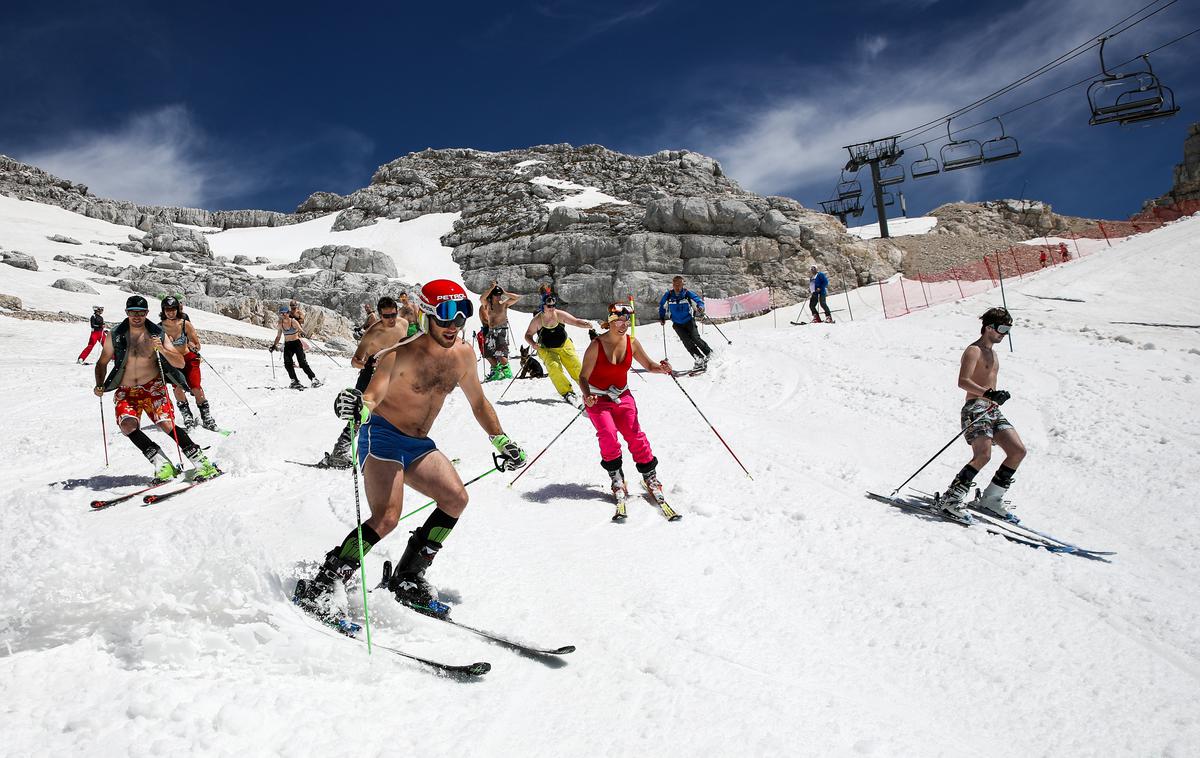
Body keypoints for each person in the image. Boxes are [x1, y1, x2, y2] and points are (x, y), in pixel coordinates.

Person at [293, 279, 527, 618]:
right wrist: (359, 407)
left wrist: (500, 439)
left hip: (417, 444)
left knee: (455, 499)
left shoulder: (462, 355)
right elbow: (373, 395)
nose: (453, 325)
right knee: (387, 517)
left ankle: (408, 576)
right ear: (428, 314)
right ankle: (326, 581)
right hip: (383, 437)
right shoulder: (399, 353)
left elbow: (478, 402)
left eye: (461, 316)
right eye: (445, 315)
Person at [92, 295, 219, 480]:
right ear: (127, 313)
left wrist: (163, 349)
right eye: (133, 312)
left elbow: (179, 361)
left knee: (165, 423)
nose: (137, 316)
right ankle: (162, 464)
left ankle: (201, 461)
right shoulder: (116, 334)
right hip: (127, 390)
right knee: (127, 425)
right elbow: (102, 363)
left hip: (153, 387)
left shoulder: (157, 333)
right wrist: (100, 384)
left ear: (146, 313)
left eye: (141, 313)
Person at [934, 307, 1026, 521]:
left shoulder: (993, 354)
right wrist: (989, 394)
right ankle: (951, 499)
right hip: (975, 407)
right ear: (988, 328)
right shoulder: (973, 350)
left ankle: (991, 499)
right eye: (1001, 328)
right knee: (983, 455)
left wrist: (997, 396)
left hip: (992, 409)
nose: (1004, 333)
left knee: (1017, 451)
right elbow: (963, 381)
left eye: (1008, 329)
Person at [578, 303, 674, 501]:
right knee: (608, 434)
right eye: (619, 321)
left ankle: (650, 476)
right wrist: (587, 395)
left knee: (634, 434)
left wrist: (662, 368)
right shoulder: (597, 345)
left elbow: (648, 365)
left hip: (622, 396)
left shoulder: (632, 342)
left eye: (626, 322)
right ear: (611, 321)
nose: (623, 326)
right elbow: (583, 377)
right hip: (597, 399)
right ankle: (616, 477)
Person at [321, 296, 409, 468]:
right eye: (386, 316)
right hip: (370, 373)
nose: (391, 319)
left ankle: (398, 448)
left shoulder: (403, 324)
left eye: (393, 314)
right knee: (359, 412)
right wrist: (368, 363)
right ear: (379, 315)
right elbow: (354, 361)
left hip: (393, 372)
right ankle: (339, 451)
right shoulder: (373, 333)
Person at [158, 296, 218, 431]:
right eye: (167, 309)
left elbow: (197, 344)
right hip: (173, 362)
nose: (170, 312)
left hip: (189, 358)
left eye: (172, 309)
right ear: (163, 310)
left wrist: (193, 345)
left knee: (195, 386)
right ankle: (187, 416)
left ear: (177, 310)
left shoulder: (185, 324)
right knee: (177, 387)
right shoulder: (160, 327)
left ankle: (206, 417)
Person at [523, 295, 595, 407]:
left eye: (553, 305)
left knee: (575, 365)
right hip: (547, 349)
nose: (552, 308)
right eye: (549, 306)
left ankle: (590, 388)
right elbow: (528, 335)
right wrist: (532, 343)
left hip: (564, 345)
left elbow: (575, 321)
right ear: (543, 306)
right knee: (554, 367)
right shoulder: (537, 320)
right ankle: (567, 392)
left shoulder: (559, 315)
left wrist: (585, 324)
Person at [658, 275, 712, 370]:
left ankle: (709, 354)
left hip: (688, 321)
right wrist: (661, 317)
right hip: (677, 324)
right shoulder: (669, 295)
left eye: (679, 284)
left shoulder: (687, 293)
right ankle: (699, 358)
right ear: (673, 285)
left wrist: (701, 307)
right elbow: (662, 305)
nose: (677, 287)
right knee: (687, 342)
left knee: (696, 338)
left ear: (683, 284)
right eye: (675, 285)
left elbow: (699, 301)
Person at [270, 304, 321, 389]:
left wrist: (302, 334)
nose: (283, 315)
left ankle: (314, 379)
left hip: (296, 344)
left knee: (302, 363)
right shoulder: (280, 324)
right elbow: (278, 336)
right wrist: (274, 345)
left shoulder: (293, 321)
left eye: (284, 313)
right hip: (288, 345)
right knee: (287, 363)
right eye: (281, 313)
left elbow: (301, 330)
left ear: (288, 313)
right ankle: (294, 381)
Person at [481, 281, 521, 381]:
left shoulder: (503, 304)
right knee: (488, 353)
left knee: (501, 353)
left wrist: (505, 292)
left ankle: (507, 373)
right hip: (490, 331)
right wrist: (491, 288)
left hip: (501, 330)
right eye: (496, 294)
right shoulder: (488, 305)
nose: (499, 296)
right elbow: (481, 298)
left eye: (500, 294)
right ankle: (497, 372)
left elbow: (517, 297)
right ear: (492, 295)